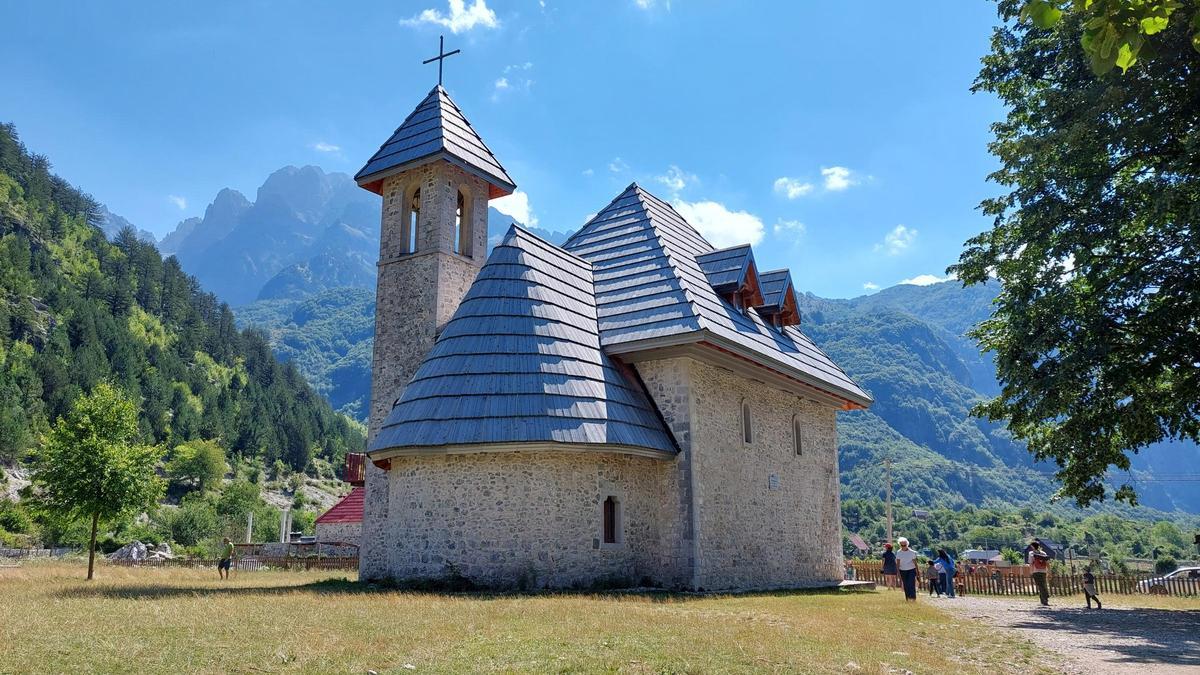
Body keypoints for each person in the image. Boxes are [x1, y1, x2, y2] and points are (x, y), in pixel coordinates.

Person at [1028, 540, 1051, 606]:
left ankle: (1046, 596)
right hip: (1043, 571)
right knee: (1043, 584)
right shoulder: (1043, 553)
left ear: (1032, 546)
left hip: (1036, 571)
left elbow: (1031, 563)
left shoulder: (1031, 553)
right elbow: (1047, 563)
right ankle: (1044, 600)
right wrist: (1049, 571)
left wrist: (1031, 572)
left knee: (1040, 585)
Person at [895, 537, 919, 601]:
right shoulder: (899, 552)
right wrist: (898, 573)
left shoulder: (912, 552)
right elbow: (897, 563)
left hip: (911, 569)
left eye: (904, 545)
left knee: (911, 584)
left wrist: (917, 571)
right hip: (902, 570)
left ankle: (913, 598)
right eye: (901, 545)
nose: (903, 547)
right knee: (906, 584)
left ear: (907, 544)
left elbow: (915, 563)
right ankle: (908, 598)